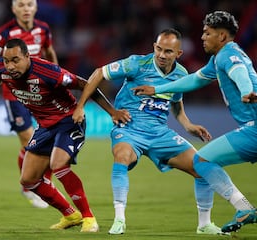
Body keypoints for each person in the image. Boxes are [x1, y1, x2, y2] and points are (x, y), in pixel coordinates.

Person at [72, 28, 230, 235]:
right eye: (159, 49)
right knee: (122, 156)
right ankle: (119, 220)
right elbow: (99, 72)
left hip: (159, 133)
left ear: (178, 54)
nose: (162, 55)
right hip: (129, 128)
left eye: (168, 52)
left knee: (202, 167)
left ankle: (204, 224)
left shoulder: (181, 74)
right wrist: (81, 106)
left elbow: (176, 103)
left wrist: (188, 124)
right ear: (154, 47)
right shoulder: (136, 63)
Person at [133, 11, 257, 233]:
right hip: (251, 129)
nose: (202, 37)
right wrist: (157, 89)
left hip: (254, 129)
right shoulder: (222, 57)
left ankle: (244, 208)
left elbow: (240, 73)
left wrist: (246, 91)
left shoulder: (227, 55)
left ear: (221, 36)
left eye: (207, 33)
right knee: (204, 160)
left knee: (202, 160)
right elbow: (193, 80)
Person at [0, 38, 130, 232]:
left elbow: (85, 84)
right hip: (45, 127)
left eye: (15, 60)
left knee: (58, 165)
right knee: (28, 180)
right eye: (6, 61)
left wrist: (111, 112)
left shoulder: (49, 72)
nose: (10, 66)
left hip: (69, 121)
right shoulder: (2, 70)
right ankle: (70, 215)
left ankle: (89, 218)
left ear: (27, 56)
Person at [0, 0, 58, 208]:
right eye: (21, 5)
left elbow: (49, 53)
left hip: (40, 92)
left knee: (47, 141)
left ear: (35, 8)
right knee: (31, 141)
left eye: (29, 5)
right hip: (14, 94)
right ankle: (30, 186)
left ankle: (43, 183)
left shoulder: (43, 29)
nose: (26, 9)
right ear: (13, 8)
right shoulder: (3, 33)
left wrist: (55, 78)